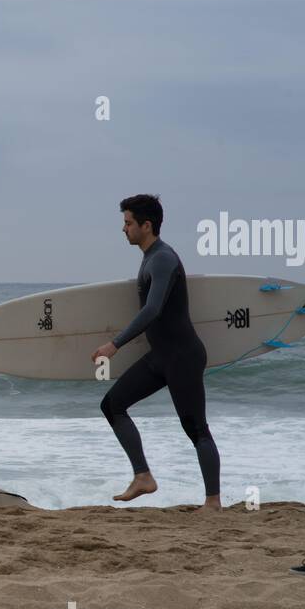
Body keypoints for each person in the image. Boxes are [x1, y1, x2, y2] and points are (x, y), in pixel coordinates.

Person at [93, 194, 221, 509]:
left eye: (128, 223)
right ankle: (143, 477)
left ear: (146, 225)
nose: (123, 229)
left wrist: (114, 344)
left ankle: (213, 502)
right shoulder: (149, 257)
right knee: (113, 405)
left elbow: (152, 309)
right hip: (161, 357)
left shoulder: (163, 258)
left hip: (182, 356)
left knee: (196, 428)